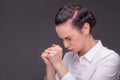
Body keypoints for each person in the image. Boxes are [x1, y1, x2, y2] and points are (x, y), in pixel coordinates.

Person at [41, 3, 120, 80]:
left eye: (69, 38)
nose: (65, 45)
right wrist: (50, 66)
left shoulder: (110, 59)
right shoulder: (68, 57)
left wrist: (59, 64)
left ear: (85, 29)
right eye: (62, 40)